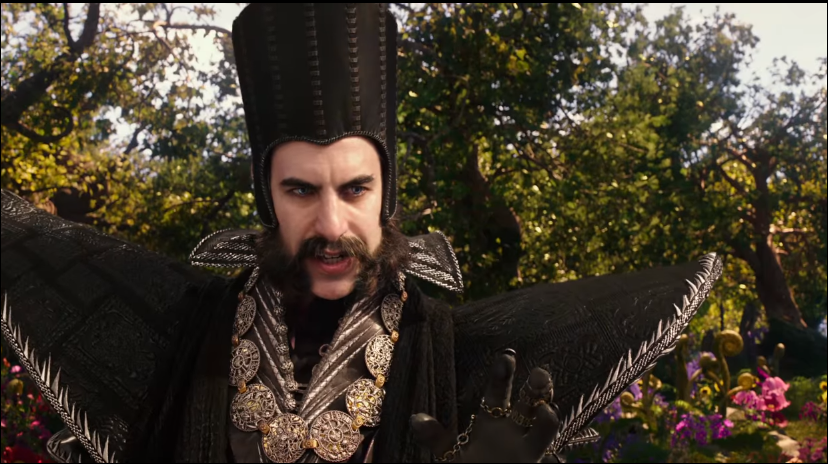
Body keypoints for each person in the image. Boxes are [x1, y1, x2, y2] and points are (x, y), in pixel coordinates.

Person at [0, 3, 723, 463]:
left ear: (386, 196)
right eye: (300, 190)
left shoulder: (455, 356)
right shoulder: (186, 333)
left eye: (354, 189)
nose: (330, 225)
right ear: (266, 197)